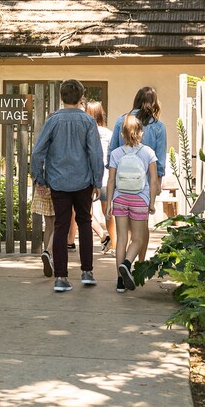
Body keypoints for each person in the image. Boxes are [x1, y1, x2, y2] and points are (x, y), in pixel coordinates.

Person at [30, 79, 104, 292]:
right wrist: (97, 181)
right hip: (83, 181)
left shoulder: (52, 121)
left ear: (62, 97)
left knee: (61, 226)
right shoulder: (88, 122)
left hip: (58, 181)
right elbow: (95, 153)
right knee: (85, 223)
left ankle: (61, 277)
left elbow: (37, 152)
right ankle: (87, 272)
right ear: (81, 98)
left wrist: (39, 178)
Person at [106, 114, 160, 293]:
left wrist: (108, 205)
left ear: (122, 134)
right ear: (141, 132)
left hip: (120, 199)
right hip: (139, 199)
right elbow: (153, 181)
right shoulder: (148, 153)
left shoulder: (116, 153)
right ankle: (128, 263)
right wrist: (151, 202)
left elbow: (111, 180)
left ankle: (120, 282)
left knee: (121, 239)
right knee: (138, 239)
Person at [108, 86, 167, 242]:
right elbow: (160, 159)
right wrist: (158, 181)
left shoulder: (122, 120)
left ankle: (126, 260)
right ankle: (140, 262)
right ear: (154, 103)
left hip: (121, 182)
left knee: (124, 227)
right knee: (142, 225)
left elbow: (112, 150)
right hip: (146, 184)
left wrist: (111, 177)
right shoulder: (159, 127)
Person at [84, 100, 114, 254]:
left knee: (85, 212)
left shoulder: (86, 131)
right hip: (106, 177)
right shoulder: (109, 133)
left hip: (89, 176)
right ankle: (114, 243)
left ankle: (103, 237)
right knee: (108, 212)